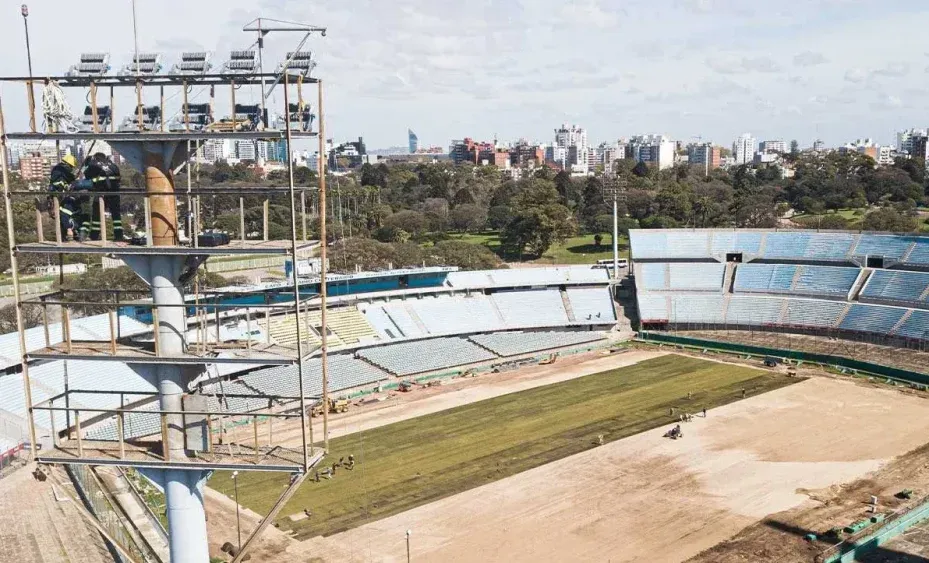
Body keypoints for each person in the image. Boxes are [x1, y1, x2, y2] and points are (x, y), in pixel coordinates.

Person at [83, 153, 123, 241]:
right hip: (114, 192)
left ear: (96, 158)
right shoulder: (113, 165)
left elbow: (87, 175)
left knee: (96, 213)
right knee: (116, 215)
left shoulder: (94, 164)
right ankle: (119, 236)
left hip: (101, 192)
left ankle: (94, 236)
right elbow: (118, 178)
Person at [48, 154, 87, 241]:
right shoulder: (63, 169)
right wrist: (74, 177)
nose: (71, 168)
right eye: (71, 166)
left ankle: (65, 236)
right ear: (69, 164)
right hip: (58, 194)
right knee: (61, 215)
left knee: (60, 215)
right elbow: (70, 178)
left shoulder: (58, 168)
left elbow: (68, 179)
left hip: (56, 194)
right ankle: (67, 234)